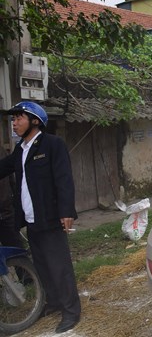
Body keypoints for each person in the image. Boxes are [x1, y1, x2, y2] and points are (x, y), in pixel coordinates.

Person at [0, 101, 81, 333]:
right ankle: (54, 302)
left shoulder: (52, 144)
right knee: (43, 265)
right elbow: (4, 168)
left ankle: (71, 311)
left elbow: (64, 178)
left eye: (18, 118)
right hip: (31, 218)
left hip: (51, 217)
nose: (14, 123)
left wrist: (67, 211)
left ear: (35, 120)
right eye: (13, 119)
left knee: (59, 266)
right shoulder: (21, 149)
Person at [0, 144, 24, 249]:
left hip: (6, 212)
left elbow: (12, 180)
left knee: (16, 251)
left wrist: (15, 203)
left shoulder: (1, 151)